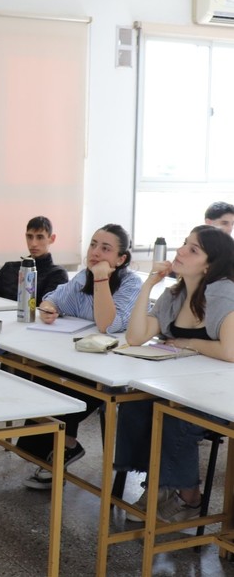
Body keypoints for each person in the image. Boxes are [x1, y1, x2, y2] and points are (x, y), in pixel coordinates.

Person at [115, 225, 234, 523]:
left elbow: (229, 352)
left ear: (210, 264)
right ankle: (157, 486)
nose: (180, 251)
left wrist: (188, 342)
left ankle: (188, 497)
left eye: (192, 249)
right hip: (184, 385)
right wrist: (149, 286)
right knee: (135, 403)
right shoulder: (175, 293)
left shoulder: (225, 294)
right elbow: (136, 337)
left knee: (174, 417)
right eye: (184, 244)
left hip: (221, 394)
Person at [20, 223, 143, 489]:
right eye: (93, 245)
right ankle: (62, 447)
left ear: (121, 259)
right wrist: (49, 307)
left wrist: (101, 279)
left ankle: (62, 448)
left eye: (106, 249)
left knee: (61, 384)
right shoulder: (81, 276)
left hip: (111, 368)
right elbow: (54, 297)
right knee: (39, 376)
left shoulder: (132, 283)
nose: (96, 253)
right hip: (79, 357)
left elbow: (107, 325)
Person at [0, 215, 69, 302]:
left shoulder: (57, 274)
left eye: (40, 237)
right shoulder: (9, 268)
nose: (33, 243)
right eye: (30, 237)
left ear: (52, 239)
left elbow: (47, 309)